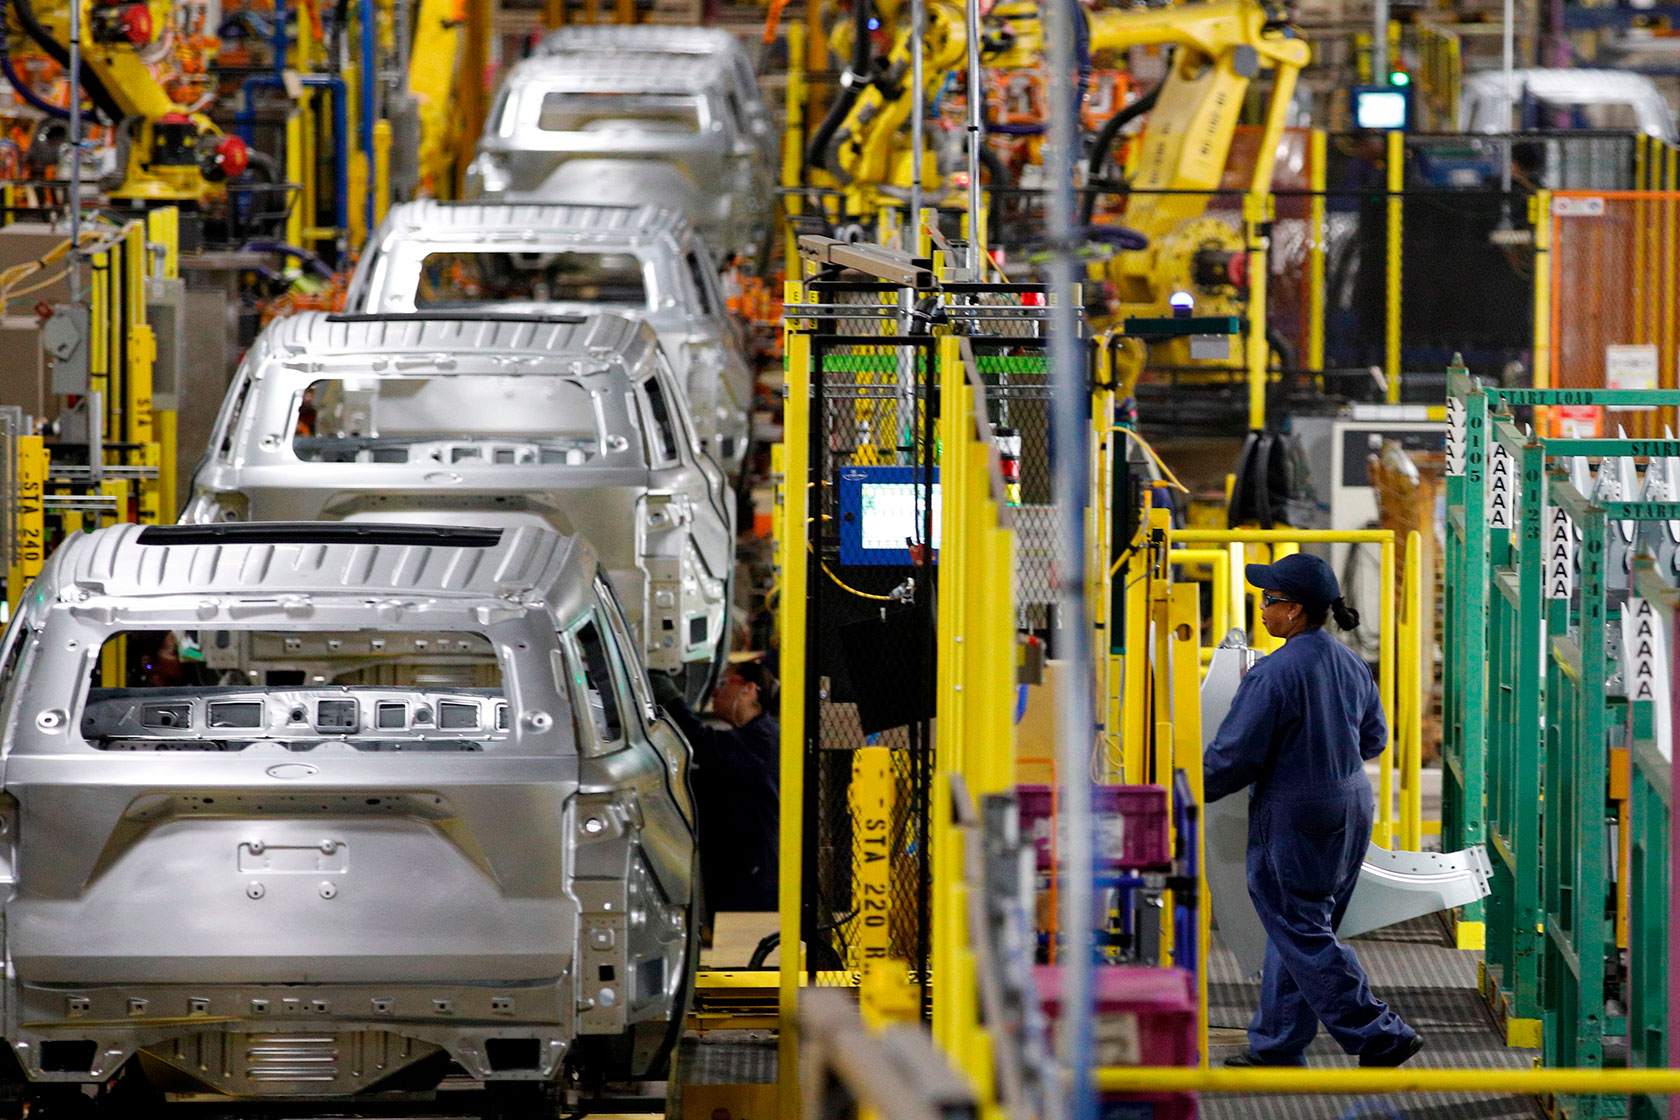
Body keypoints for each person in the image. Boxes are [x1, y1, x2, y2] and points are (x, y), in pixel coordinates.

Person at [1204, 552, 1423, 1069]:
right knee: (1300, 927)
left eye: (1269, 600)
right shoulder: (1349, 662)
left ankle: (1380, 1033)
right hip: (1350, 805)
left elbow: (1234, 758)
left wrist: (1177, 789)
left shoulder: (1273, 674)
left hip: (1295, 813)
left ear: (1295, 610)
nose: (1262, 609)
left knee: (1300, 929)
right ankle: (1279, 1043)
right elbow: (1374, 738)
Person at [652, 662, 780, 919]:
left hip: (751, 879)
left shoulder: (761, 739)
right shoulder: (751, 738)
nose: (714, 692)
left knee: (742, 941)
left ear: (749, 690)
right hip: (739, 872)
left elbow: (702, 742)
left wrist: (672, 700)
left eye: (722, 684)